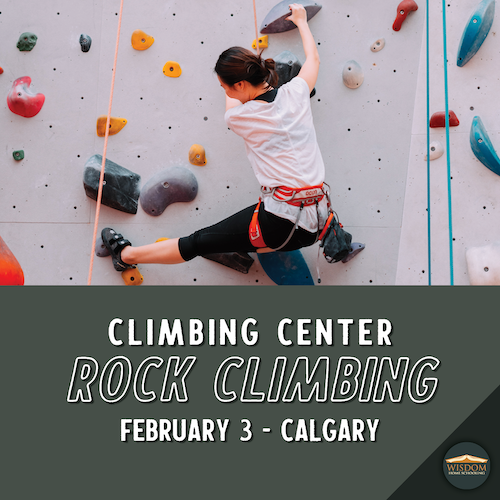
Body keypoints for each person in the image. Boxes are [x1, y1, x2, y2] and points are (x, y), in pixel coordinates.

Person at [102, 3, 330, 271]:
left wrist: (238, 72)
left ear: (241, 85)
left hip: (282, 224)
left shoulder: (240, 117)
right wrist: (301, 21)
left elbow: (234, 102)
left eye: (225, 86)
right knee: (241, 234)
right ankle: (240, 246)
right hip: (318, 219)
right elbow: (313, 59)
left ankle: (125, 256)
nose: (225, 92)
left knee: (197, 242)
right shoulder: (298, 93)